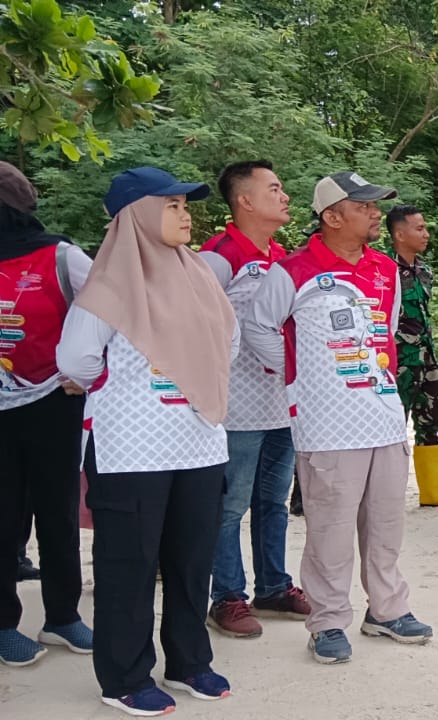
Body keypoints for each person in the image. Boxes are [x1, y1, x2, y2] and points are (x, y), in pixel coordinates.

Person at [60, 167, 233, 714]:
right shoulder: (107, 287)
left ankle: (189, 661)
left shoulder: (199, 276)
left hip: (200, 442)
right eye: (173, 205)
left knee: (190, 558)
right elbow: (76, 360)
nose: (186, 215)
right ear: (136, 214)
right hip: (132, 448)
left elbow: (225, 348)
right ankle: (125, 676)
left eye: (187, 205)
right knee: (128, 565)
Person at [245, 171, 433, 663]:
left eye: (376, 206)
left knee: (387, 522)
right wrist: (299, 376)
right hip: (327, 422)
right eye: (364, 206)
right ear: (332, 216)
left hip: (384, 416)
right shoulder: (292, 271)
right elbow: (259, 327)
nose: (376, 213)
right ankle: (328, 621)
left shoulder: (385, 270)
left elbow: (386, 335)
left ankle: (387, 610)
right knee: (330, 527)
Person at [197, 161, 310, 642]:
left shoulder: (282, 256)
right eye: (274, 189)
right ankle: (226, 596)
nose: (284, 196)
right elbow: (195, 325)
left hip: (280, 402)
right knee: (230, 505)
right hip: (236, 409)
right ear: (244, 200)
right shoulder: (218, 258)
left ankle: (273, 586)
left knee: (273, 502)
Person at [0, 162, 92, 668]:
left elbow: (107, 310)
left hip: (53, 401)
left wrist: (87, 367)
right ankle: (2, 624)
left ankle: (62, 616)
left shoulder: (60, 256)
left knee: (57, 512)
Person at [384, 204, 438, 510]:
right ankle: (386, 493)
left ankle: (432, 490)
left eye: (425, 227)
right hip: (397, 361)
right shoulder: (382, 270)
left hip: (426, 358)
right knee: (392, 426)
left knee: (431, 420)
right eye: (419, 228)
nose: (426, 234)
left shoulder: (424, 271)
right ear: (399, 233)